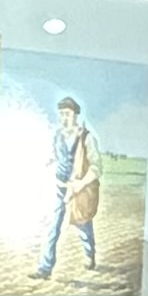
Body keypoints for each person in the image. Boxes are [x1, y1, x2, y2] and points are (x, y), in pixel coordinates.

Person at [34, 94, 100, 280]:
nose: (64, 118)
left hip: (78, 191)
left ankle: (90, 255)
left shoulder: (86, 138)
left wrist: (81, 184)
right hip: (61, 187)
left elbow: (96, 167)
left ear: (75, 115)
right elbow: (53, 157)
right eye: (62, 114)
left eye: (67, 114)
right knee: (54, 227)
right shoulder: (57, 136)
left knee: (83, 225)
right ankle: (45, 268)